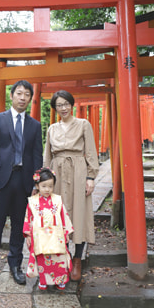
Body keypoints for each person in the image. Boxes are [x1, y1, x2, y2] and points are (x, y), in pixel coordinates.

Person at [0, 80, 43, 285]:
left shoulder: (35, 126)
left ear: (30, 99)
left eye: (27, 94)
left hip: (24, 182)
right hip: (0, 181)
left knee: (18, 226)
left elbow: (37, 157)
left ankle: (15, 266)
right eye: (19, 93)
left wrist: (36, 185)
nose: (23, 97)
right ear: (12, 95)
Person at [44, 90, 99, 282]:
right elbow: (47, 157)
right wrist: (44, 181)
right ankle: (63, 256)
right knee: (59, 216)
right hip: (58, 172)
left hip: (78, 170)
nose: (63, 108)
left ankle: (77, 259)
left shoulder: (83, 124)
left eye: (66, 103)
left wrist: (91, 177)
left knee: (79, 215)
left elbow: (91, 151)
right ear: (55, 108)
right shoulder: (52, 129)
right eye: (59, 105)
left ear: (72, 104)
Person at [23, 167, 73, 290]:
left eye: (50, 186)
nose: (47, 189)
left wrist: (66, 231)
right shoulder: (32, 202)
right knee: (43, 258)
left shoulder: (57, 200)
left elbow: (63, 216)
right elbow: (28, 219)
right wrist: (28, 235)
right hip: (40, 236)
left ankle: (60, 279)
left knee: (58, 257)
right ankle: (44, 280)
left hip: (56, 234)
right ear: (37, 185)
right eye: (44, 186)